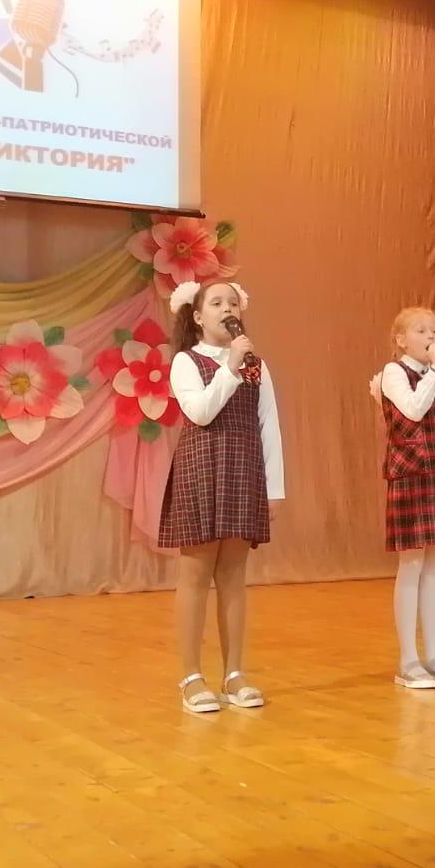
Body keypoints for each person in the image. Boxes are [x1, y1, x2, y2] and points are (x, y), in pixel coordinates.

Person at [162, 280, 283, 712]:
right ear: (198, 317)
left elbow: (269, 424)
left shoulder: (256, 365)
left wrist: (274, 488)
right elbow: (200, 412)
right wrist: (230, 366)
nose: (227, 308)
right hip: (201, 470)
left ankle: (234, 674)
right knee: (195, 576)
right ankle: (191, 677)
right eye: (216, 303)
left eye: (232, 302)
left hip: (243, 472)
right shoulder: (185, 361)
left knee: (233, 576)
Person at [369, 306, 435, 689]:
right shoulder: (394, 372)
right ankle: (408, 661)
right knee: (411, 564)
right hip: (412, 472)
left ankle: (434, 657)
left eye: (434, 330)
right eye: (421, 330)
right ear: (400, 340)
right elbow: (412, 410)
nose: (431, 337)